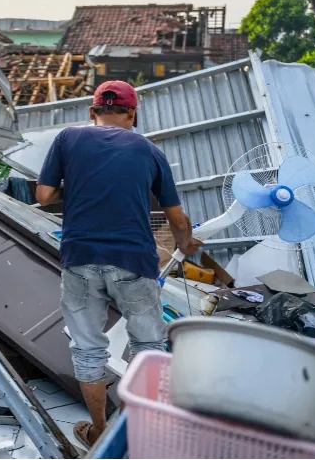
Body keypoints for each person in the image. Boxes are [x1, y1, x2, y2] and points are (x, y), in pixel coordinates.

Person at [35, 80, 202, 448]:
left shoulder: (67, 139)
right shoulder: (149, 151)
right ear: (132, 114)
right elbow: (176, 218)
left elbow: (44, 195)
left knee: (88, 348)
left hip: (80, 259)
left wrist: (76, 187)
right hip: (133, 262)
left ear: (92, 111)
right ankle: (138, 429)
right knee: (148, 346)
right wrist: (187, 244)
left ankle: (98, 430)